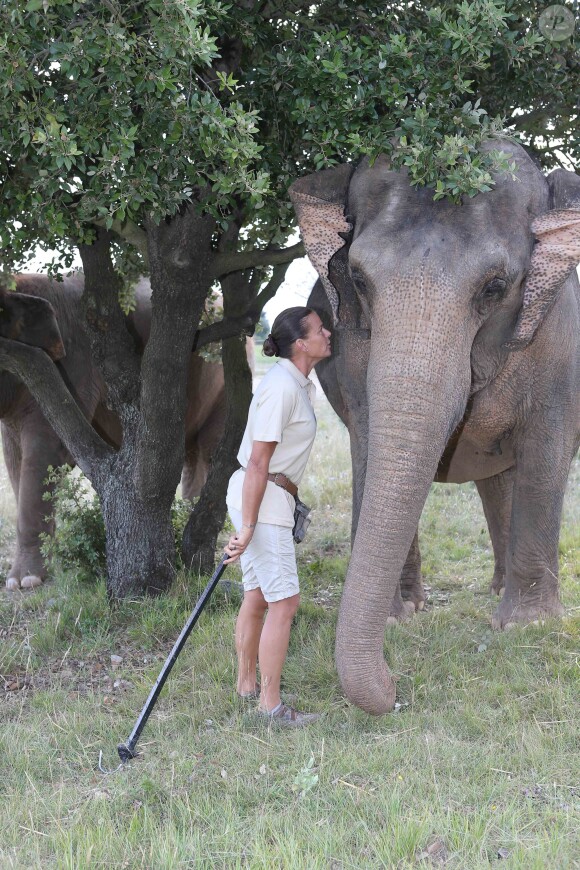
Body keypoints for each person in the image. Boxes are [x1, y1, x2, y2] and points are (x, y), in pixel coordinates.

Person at [225, 306, 332, 726]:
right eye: (319, 329)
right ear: (301, 344)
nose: (327, 333)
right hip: (262, 497)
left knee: (257, 595)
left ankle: (247, 686)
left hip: (270, 497)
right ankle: (270, 707)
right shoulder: (282, 387)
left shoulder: (298, 383)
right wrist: (249, 526)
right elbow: (257, 461)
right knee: (284, 601)